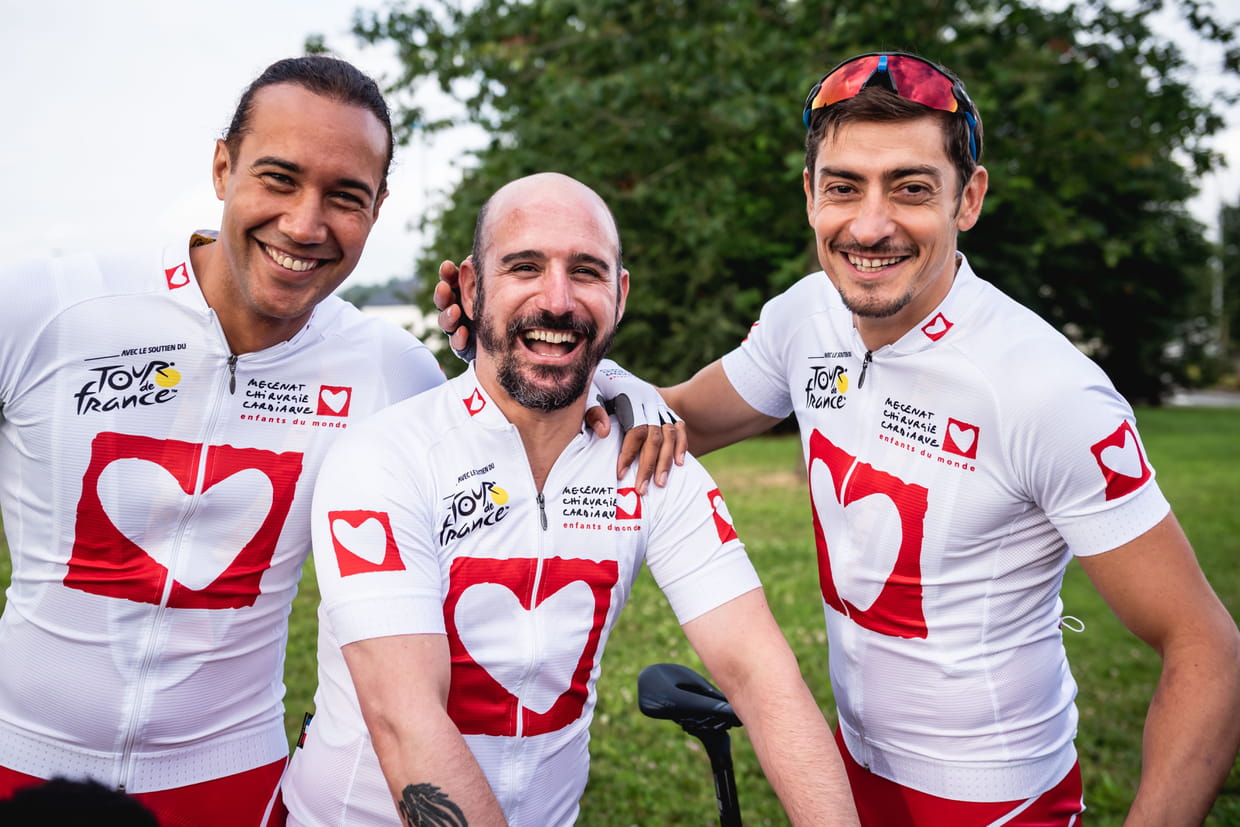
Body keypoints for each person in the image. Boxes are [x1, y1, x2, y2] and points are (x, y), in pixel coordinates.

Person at [434, 53, 1240, 824]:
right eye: (844, 187)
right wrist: (517, 351)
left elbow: (1207, 647)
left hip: (995, 799)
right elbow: (672, 423)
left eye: (911, 188)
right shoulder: (807, 314)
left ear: (968, 199)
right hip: (845, 766)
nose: (871, 224)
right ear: (810, 195)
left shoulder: (1047, 388)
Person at [282, 172, 860, 826]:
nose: (557, 300)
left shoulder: (650, 459)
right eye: (524, 266)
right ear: (470, 288)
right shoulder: (385, 455)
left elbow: (762, 677)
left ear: (620, 295)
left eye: (586, 271)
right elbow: (403, 717)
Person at [0, 55, 448, 825]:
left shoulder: (391, 368)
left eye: (345, 196)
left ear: (376, 210)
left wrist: (625, 394)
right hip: (19, 754)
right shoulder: (49, 308)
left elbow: (521, 435)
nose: (304, 224)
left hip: (230, 778)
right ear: (222, 168)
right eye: (279, 178)